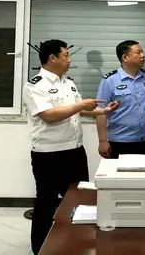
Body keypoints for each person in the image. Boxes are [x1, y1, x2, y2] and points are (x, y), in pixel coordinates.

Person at [23, 39, 118, 255]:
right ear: (52, 58)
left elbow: (78, 110)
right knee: (46, 204)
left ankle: (77, 244)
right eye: (66, 55)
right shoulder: (35, 85)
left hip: (74, 151)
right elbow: (48, 116)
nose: (70, 60)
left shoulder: (68, 82)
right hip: (48, 155)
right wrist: (81, 104)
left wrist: (103, 111)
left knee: (80, 199)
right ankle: (40, 249)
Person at [96, 40, 145, 158]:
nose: (143, 55)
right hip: (119, 142)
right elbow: (100, 111)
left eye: (142, 52)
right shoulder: (109, 80)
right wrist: (102, 141)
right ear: (125, 57)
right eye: (138, 52)